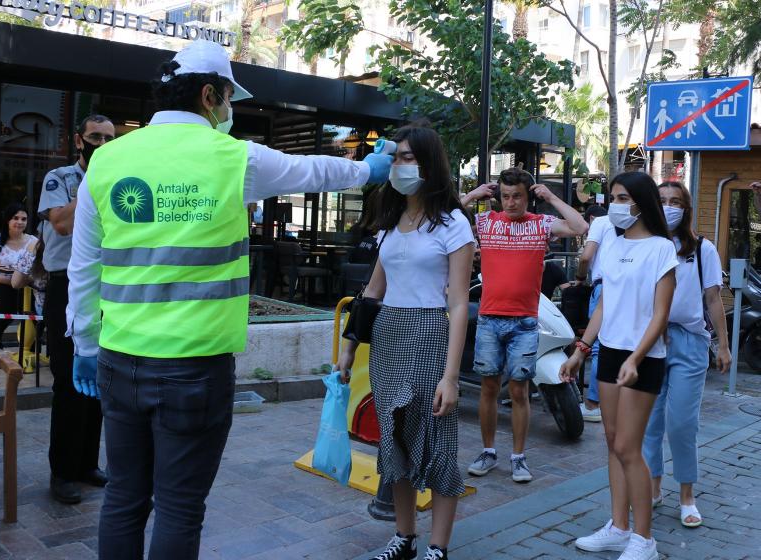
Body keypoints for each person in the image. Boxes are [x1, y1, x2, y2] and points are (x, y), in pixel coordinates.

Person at [65, 39, 394, 559]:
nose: (229, 109)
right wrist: (368, 171)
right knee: (178, 506)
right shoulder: (235, 158)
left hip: (119, 364)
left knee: (125, 498)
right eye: (227, 97)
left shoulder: (106, 161)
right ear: (208, 95)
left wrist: (83, 342)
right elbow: (311, 170)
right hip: (195, 371)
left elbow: (83, 266)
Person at [336, 124, 475, 560]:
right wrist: (349, 347)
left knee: (437, 437)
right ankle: (404, 537)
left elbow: (457, 304)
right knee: (392, 436)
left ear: (431, 164)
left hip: (431, 333)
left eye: (409, 157)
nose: (400, 165)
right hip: (389, 336)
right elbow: (373, 292)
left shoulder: (454, 224)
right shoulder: (391, 222)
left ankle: (438, 546)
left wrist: (451, 377)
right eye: (396, 157)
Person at [560, 171, 678, 560]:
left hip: (643, 358)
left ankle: (644, 539)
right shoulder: (611, 245)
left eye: (623, 197)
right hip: (609, 353)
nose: (615, 204)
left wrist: (636, 358)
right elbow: (605, 305)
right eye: (612, 196)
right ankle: (618, 526)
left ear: (641, 203)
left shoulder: (662, 248)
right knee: (612, 443)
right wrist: (581, 349)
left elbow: (660, 315)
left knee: (629, 447)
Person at [461, 168, 588, 483]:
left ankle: (518, 458)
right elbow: (444, 217)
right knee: (489, 387)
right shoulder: (486, 222)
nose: (511, 202)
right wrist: (473, 196)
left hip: (525, 321)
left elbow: (580, 225)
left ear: (528, 195)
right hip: (490, 319)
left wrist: (551, 196)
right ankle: (488, 452)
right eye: (505, 196)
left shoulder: (541, 225)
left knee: (519, 390)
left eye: (517, 195)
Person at [642, 180, 731, 528]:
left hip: (690, 342)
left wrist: (722, 345)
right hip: (650, 342)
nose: (668, 207)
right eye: (662, 200)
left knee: (681, 424)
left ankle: (687, 496)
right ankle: (653, 488)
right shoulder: (645, 245)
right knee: (649, 422)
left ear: (686, 207)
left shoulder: (702, 248)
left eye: (675, 201)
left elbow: (712, 299)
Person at [38, 113, 115, 504]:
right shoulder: (61, 178)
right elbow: (62, 224)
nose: (102, 143)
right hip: (66, 286)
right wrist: (94, 185)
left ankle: (87, 463)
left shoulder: (115, 176)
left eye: (108, 138)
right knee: (69, 382)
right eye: (95, 137)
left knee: (98, 380)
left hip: (104, 289)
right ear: (78, 140)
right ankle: (62, 472)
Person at [575, 203, 614, 422]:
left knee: (598, 345)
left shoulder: (600, 222)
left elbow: (585, 257)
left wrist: (580, 278)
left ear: (589, 219)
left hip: (604, 286)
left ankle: (593, 404)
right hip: (626, 286)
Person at [0, 202, 36, 347]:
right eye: (15, 218)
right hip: (0, 284)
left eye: (23, 219)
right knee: (6, 305)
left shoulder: (33, 241)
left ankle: (29, 347)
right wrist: (11, 282)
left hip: (28, 285)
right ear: (7, 220)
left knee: (39, 306)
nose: (19, 222)